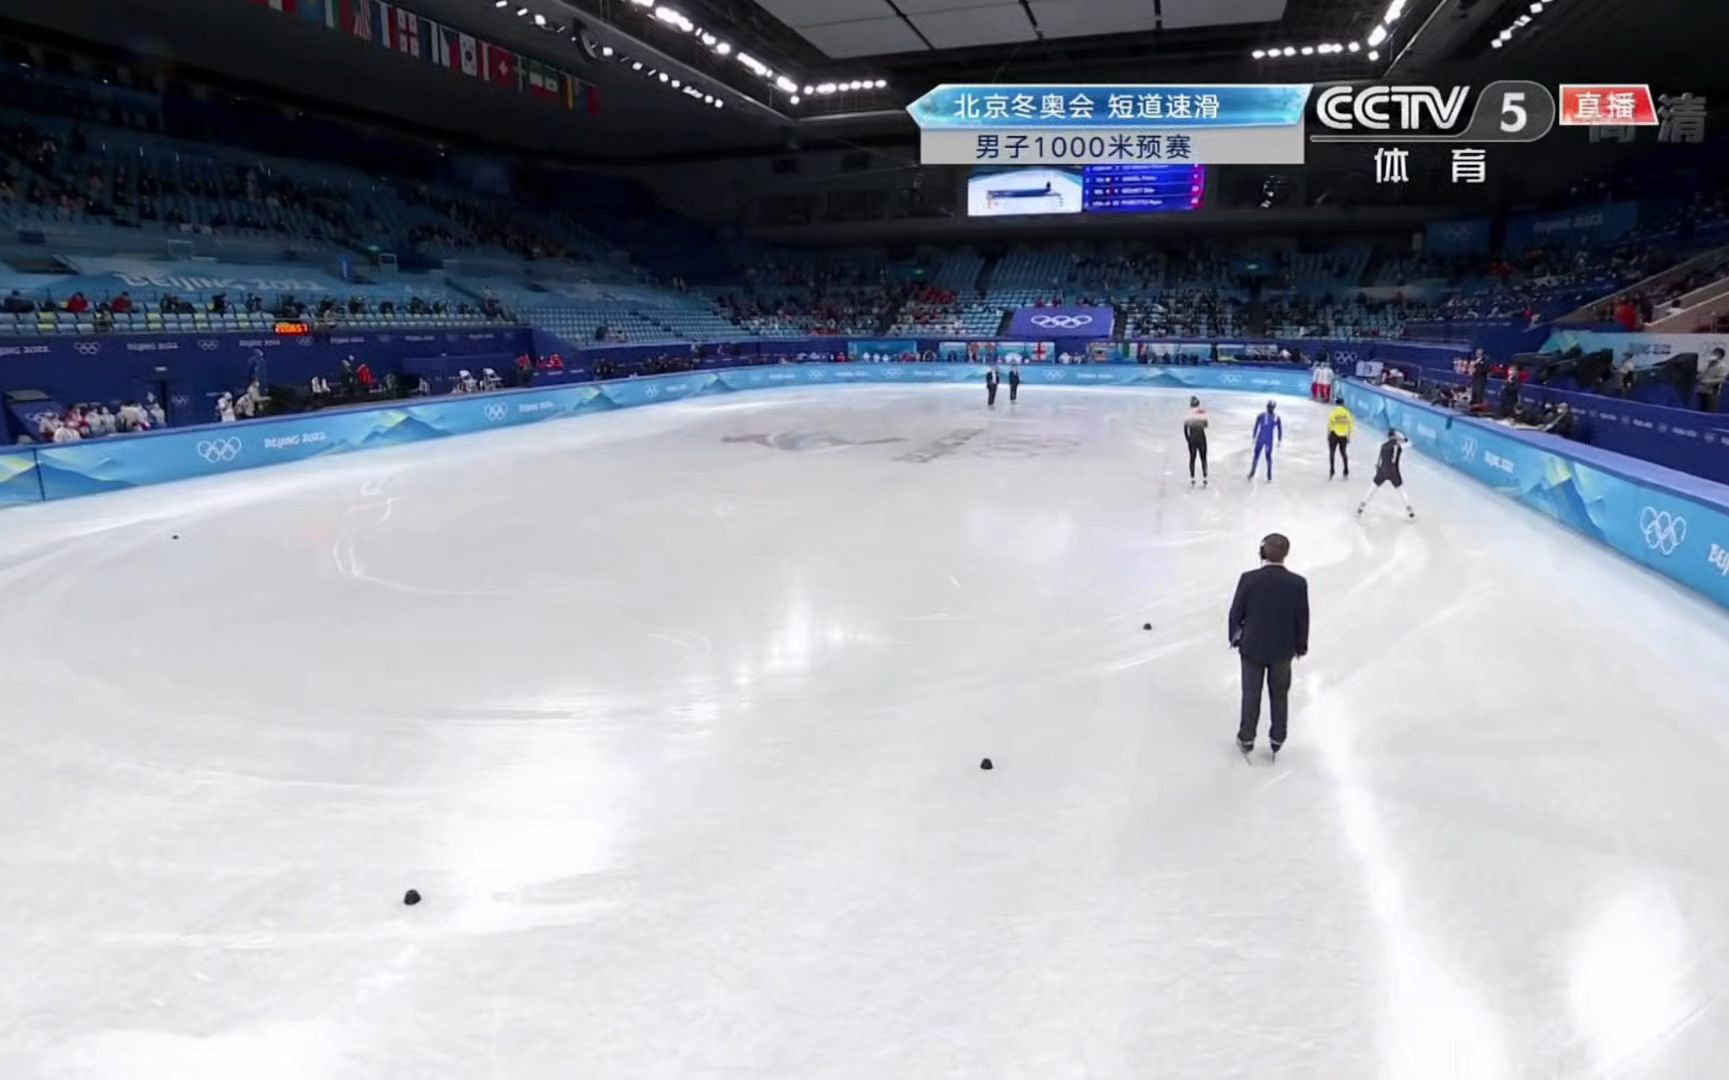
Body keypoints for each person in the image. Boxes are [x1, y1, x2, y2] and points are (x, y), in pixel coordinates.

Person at [1228, 532, 1309, 760]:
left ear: (1263, 552)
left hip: (1252, 648)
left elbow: (1236, 612)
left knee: (1251, 694)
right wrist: (1301, 646)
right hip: (1283, 650)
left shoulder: (1248, 579)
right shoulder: (1297, 583)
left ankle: (1246, 738)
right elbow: (1302, 618)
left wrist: (1235, 638)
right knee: (1280, 694)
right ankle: (1277, 738)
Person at [1358, 428, 1415, 520]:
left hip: (1383, 470)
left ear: (1388, 436)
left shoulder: (1383, 446)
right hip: (1394, 472)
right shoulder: (1399, 446)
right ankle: (1409, 510)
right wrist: (1403, 438)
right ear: (1396, 436)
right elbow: (1410, 443)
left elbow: (1379, 460)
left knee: (1372, 489)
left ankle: (1362, 507)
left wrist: (1378, 469)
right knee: (1401, 491)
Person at [1248, 401, 1281, 482]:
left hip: (1261, 439)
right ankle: (1268, 476)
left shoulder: (1262, 415)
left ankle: (1253, 473)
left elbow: (1256, 426)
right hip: (1268, 440)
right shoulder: (1276, 417)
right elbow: (1280, 429)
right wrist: (1279, 440)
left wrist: (1254, 437)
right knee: (1267, 457)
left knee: (1258, 456)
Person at [1184, 396, 1209, 486]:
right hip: (1201, 438)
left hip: (1192, 439)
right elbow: (1206, 425)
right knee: (1203, 458)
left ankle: (1192, 478)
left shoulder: (1188, 414)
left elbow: (1185, 429)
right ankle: (1205, 477)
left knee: (1192, 458)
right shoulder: (1202, 413)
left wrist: (1188, 439)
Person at [1327, 401, 1353, 480]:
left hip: (1334, 434)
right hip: (1343, 436)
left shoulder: (1334, 412)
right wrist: (1348, 436)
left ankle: (1332, 471)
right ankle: (1346, 471)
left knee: (1332, 453)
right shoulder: (1347, 413)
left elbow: (1329, 425)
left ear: (1336, 404)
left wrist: (1328, 435)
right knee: (1343, 453)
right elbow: (1350, 426)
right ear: (1343, 404)